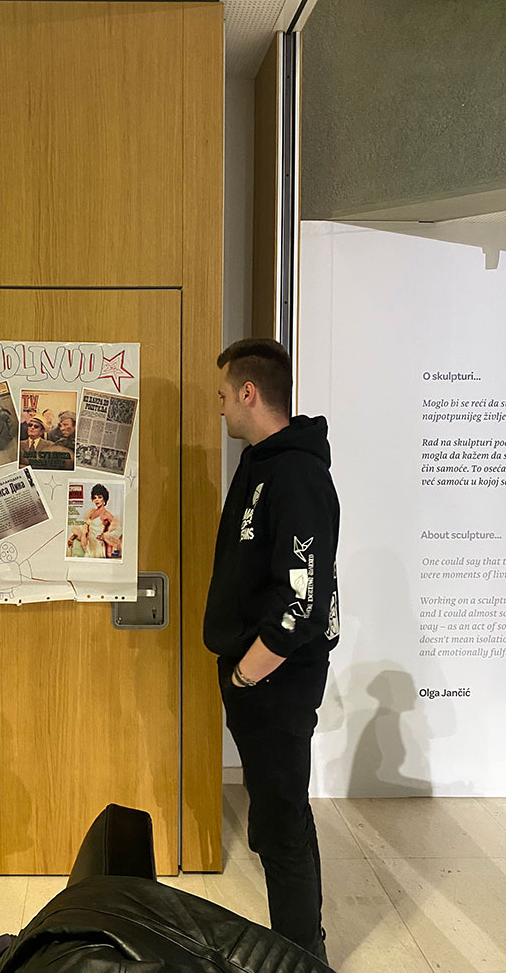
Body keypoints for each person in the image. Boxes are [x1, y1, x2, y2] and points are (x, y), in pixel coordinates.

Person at [203, 338, 340, 963]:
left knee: (281, 822)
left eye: (224, 395)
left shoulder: (299, 476)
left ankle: (302, 955)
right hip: (256, 676)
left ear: (249, 392)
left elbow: (303, 602)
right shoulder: (259, 463)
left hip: (275, 679)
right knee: (276, 812)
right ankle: (300, 942)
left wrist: (247, 675)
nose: (220, 407)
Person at [67, 484, 121, 559]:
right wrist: (72, 537)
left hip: (98, 546)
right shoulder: (91, 512)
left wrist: (105, 536)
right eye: (95, 497)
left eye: (100, 497)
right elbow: (84, 528)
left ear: (104, 499)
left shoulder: (106, 514)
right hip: (89, 545)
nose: (97, 500)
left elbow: (118, 528)